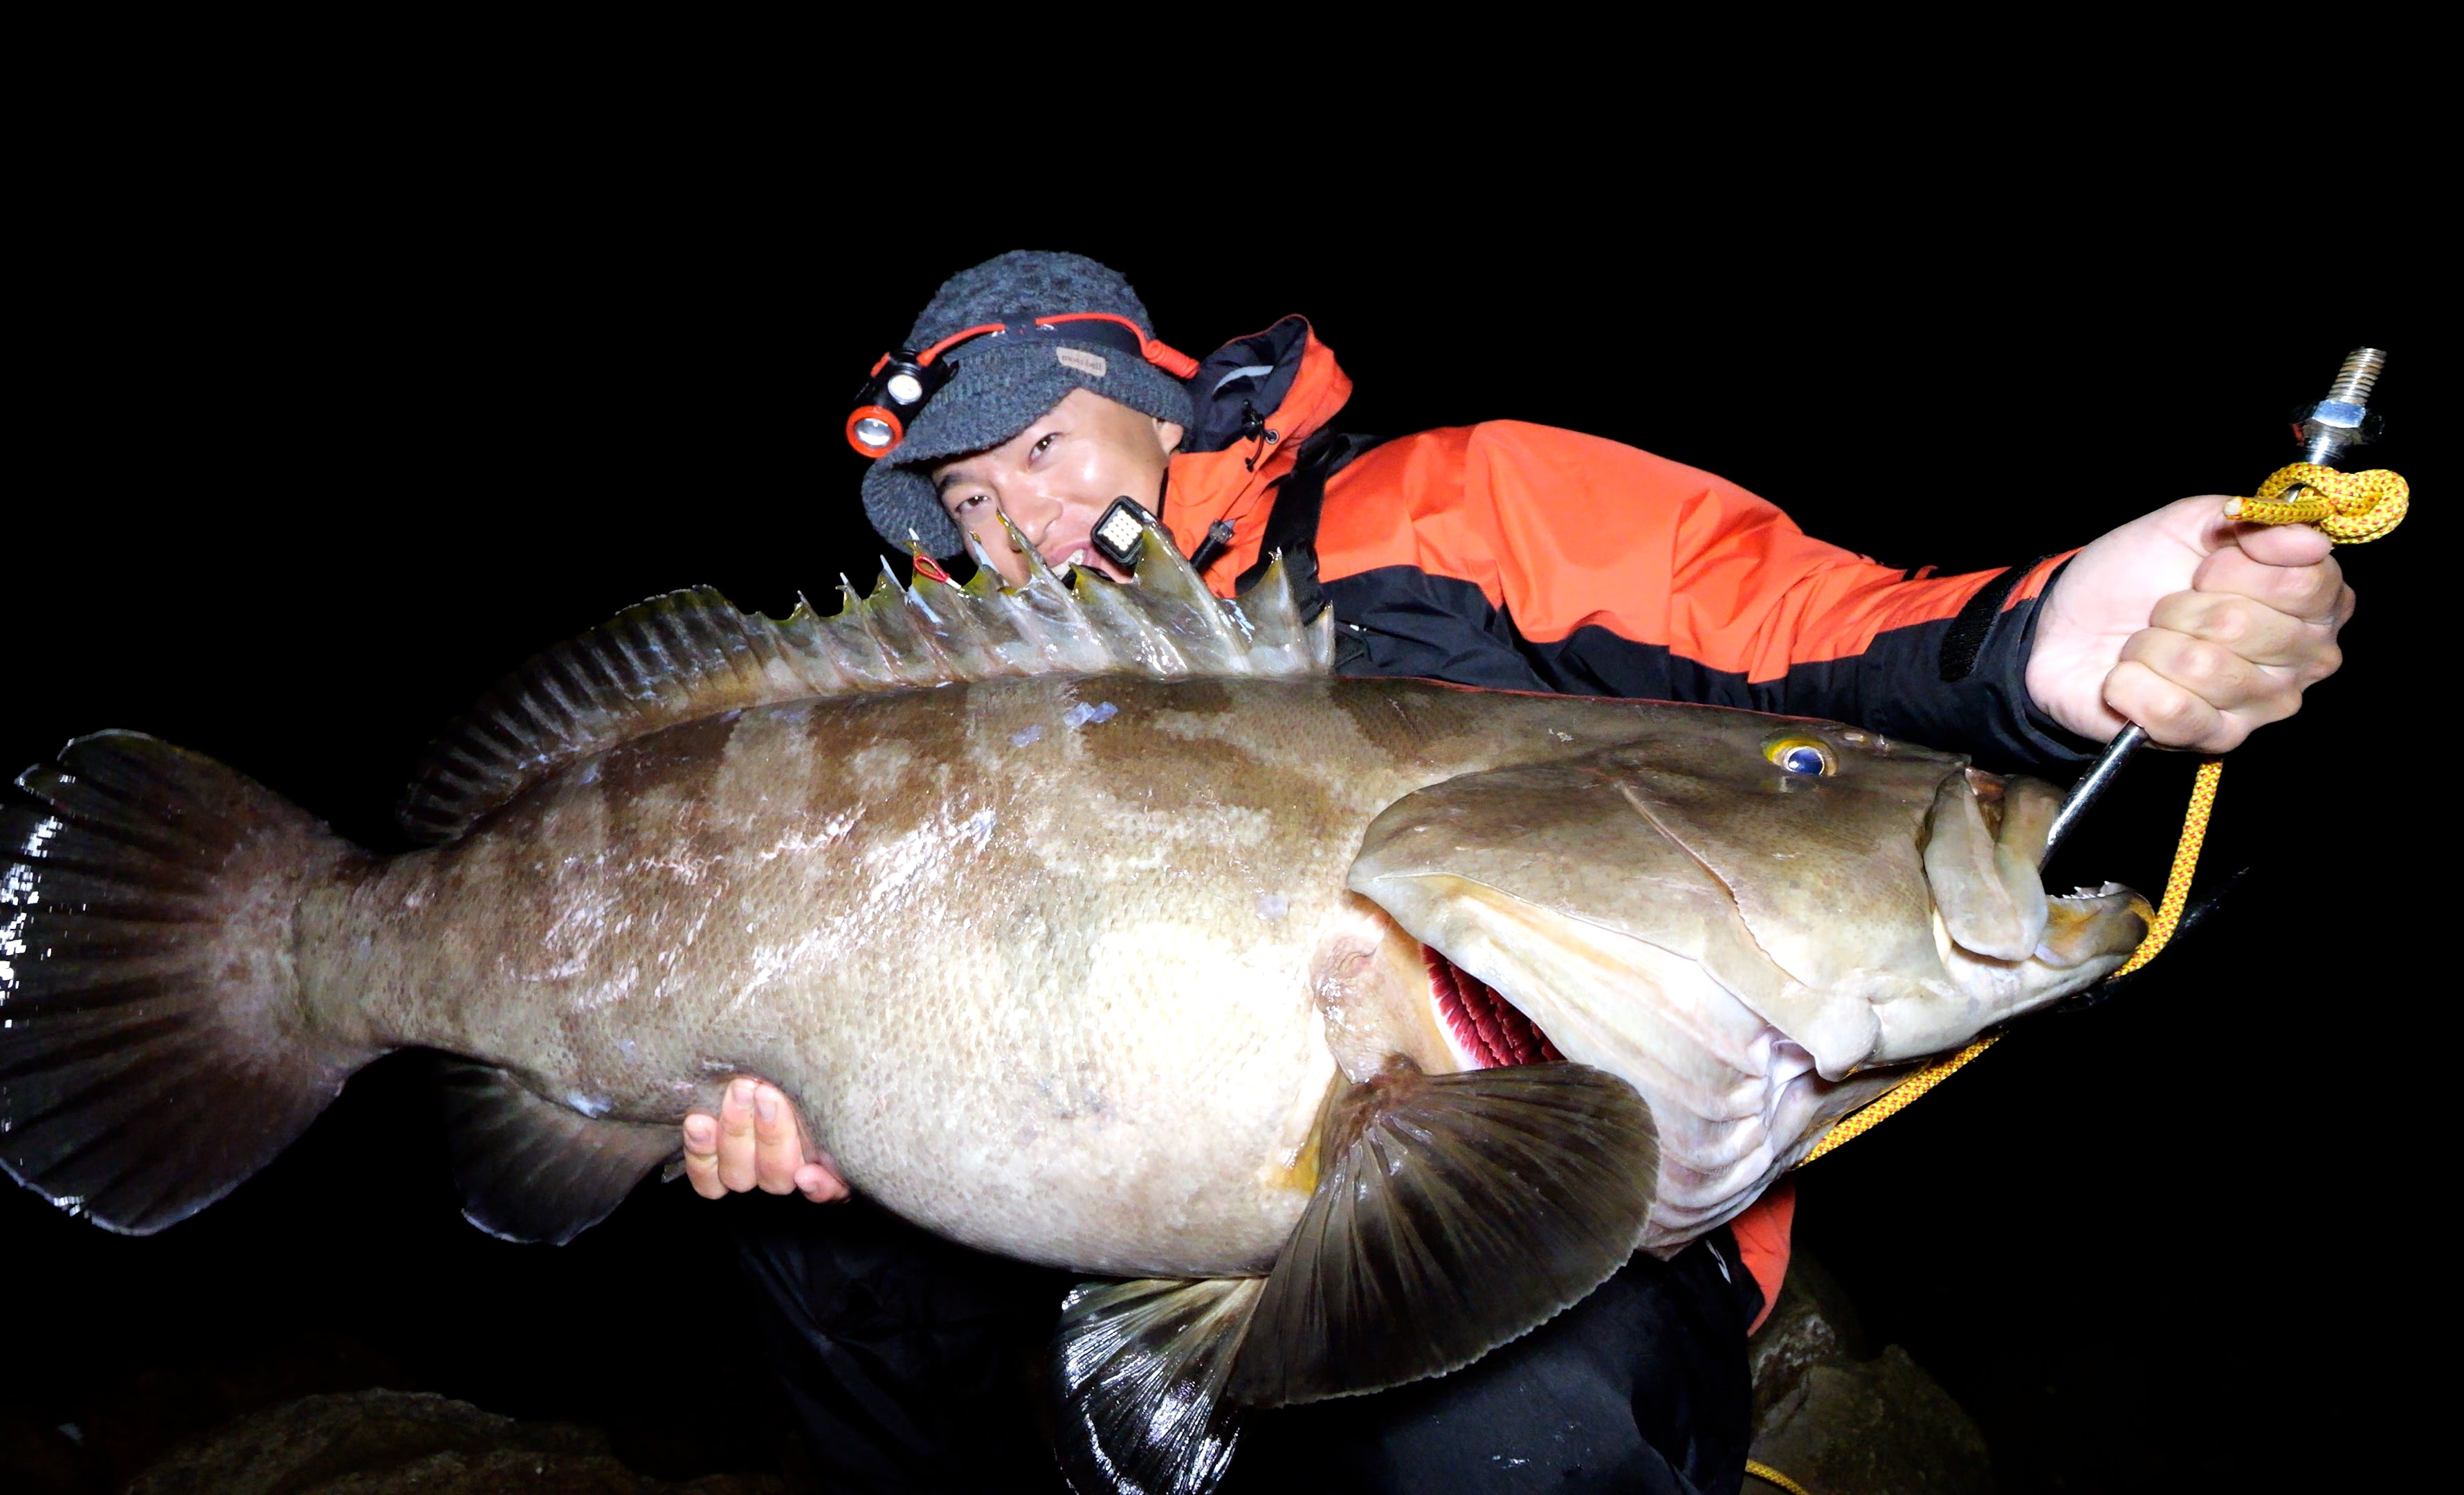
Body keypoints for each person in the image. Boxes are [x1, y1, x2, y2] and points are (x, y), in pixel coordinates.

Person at [679, 253, 2351, 1493]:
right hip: (1111, 1230)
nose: (1012, 518)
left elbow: (1808, 634)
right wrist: (820, 1111)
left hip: (1557, 1216)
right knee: (816, 1270)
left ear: (1162, 396)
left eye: (1043, 447)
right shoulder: (962, 692)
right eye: (965, 494)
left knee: (1520, 1439)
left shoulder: (1450, 510)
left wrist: (2043, 642)